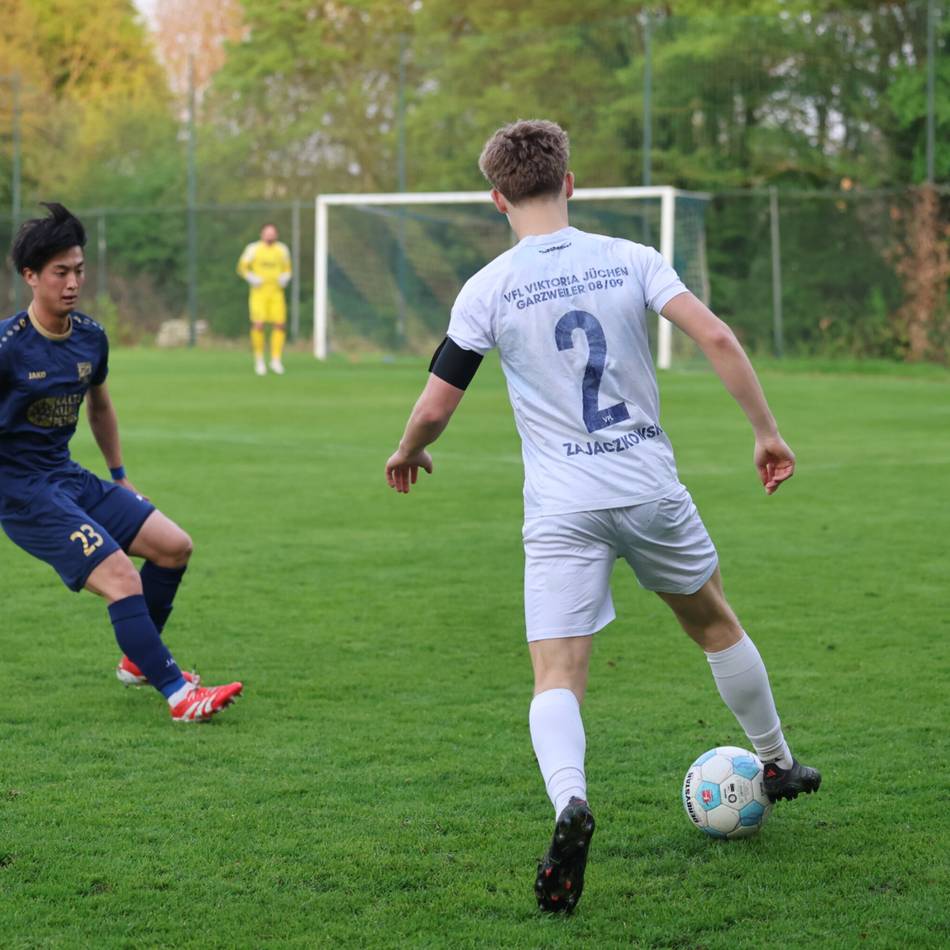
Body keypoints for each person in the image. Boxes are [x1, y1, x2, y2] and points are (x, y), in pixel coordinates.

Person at [384, 120, 820, 914]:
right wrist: (766, 432)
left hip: (562, 508)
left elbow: (438, 400)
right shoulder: (632, 259)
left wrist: (409, 449)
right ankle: (779, 761)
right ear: (570, 183)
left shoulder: (488, 286)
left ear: (496, 199)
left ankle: (570, 806)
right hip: (649, 486)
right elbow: (716, 335)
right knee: (714, 622)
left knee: (557, 675)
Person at [0, 203, 243, 723]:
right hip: (21, 491)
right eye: (60, 272)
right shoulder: (7, 349)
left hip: (66, 477)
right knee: (120, 579)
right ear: (30, 276)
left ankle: (139, 659)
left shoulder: (90, 336)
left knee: (174, 547)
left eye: (79, 270)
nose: (72, 283)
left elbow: (101, 405)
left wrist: (119, 476)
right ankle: (180, 696)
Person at [237, 223, 292, 375]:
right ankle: (259, 360)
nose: (270, 236)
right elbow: (241, 267)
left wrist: (285, 277)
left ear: (276, 235)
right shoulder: (253, 249)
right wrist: (251, 277)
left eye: (272, 233)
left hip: (276, 292)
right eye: (267, 233)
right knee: (258, 325)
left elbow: (288, 268)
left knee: (280, 325)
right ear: (262, 234)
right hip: (259, 292)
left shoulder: (282, 249)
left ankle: (276, 360)